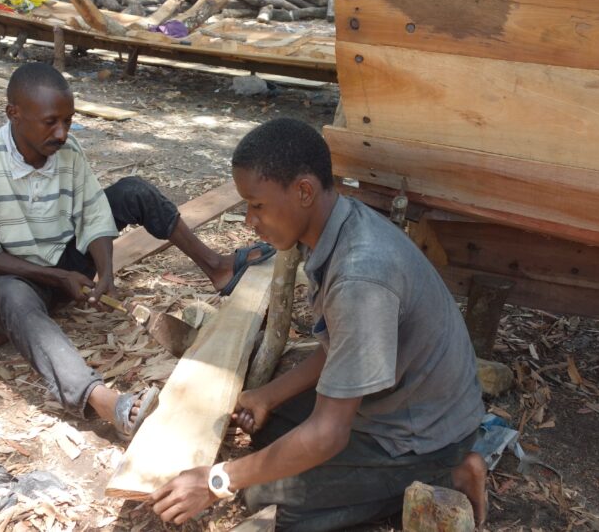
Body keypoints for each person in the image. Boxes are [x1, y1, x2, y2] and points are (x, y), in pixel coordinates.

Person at [150, 118, 488, 530]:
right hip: (393, 401)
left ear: (304, 191)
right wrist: (268, 396)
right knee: (269, 431)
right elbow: (339, 348)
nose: (248, 222)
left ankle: (450, 475)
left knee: (270, 498)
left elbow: (328, 434)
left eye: (256, 205)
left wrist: (216, 481)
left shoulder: (360, 276)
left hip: (424, 435)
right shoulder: (340, 226)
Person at [0, 63, 273, 440]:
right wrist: (60, 277)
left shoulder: (67, 150)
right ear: (13, 113)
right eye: (51, 122)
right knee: (13, 293)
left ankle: (216, 267)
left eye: (68, 121)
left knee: (133, 190)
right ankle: (102, 400)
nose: (62, 133)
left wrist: (105, 273)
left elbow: (93, 213)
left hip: (58, 267)